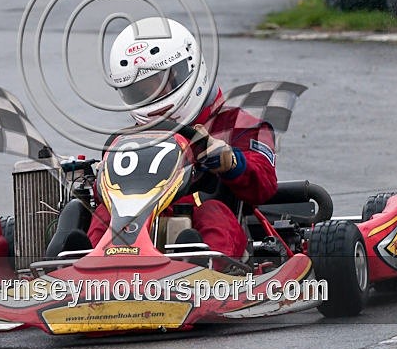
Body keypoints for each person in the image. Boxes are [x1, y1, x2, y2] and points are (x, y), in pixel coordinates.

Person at [86, 17, 278, 260]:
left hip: (209, 223)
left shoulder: (239, 124)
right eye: (140, 91)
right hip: (143, 227)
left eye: (158, 85)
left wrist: (231, 162)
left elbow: (265, 184)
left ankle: (208, 277)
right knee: (104, 214)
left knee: (212, 213)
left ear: (189, 68)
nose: (152, 97)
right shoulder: (130, 140)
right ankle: (84, 273)